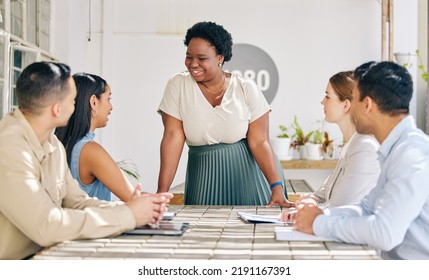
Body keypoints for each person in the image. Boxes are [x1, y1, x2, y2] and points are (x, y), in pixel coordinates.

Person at [0, 61, 172, 260]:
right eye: (73, 101)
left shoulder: (53, 144)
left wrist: (136, 209)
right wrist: (128, 216)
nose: (75, 107)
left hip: (46, 255)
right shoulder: (9, 149)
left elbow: (77, 202)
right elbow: (46, 225)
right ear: (57, 109)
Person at [287, 61, 429, 260]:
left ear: (367, 105)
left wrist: (318, 223)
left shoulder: (412, 154)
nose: (349, 108)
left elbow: (385, 233)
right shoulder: (395, 149)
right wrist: (319, 216)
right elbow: (366, 208)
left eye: (353, 101)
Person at [157, 21, 292, 206]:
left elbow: (260, 142)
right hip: (203, 181)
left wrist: (277, 187)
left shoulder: (246, 88)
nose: (193, 64)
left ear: (220, 58)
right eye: (189, 57)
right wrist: (161, 193)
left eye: (201, 58)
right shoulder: (178, 85)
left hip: (250, 180)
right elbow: (172, 137)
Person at [297, 71, 380, 207]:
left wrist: (310, 209)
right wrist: (312, 200)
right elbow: (323, 195)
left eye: (327, 97)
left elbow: (341, 208)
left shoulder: (365, 148)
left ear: (346, 105)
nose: (322, 101)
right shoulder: (352, 146)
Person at [55, 73, 133, 201]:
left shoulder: (61, 143)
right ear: (94, 102)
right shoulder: (89, 150)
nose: (111, 107)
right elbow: (133, 198)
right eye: (108, 99)